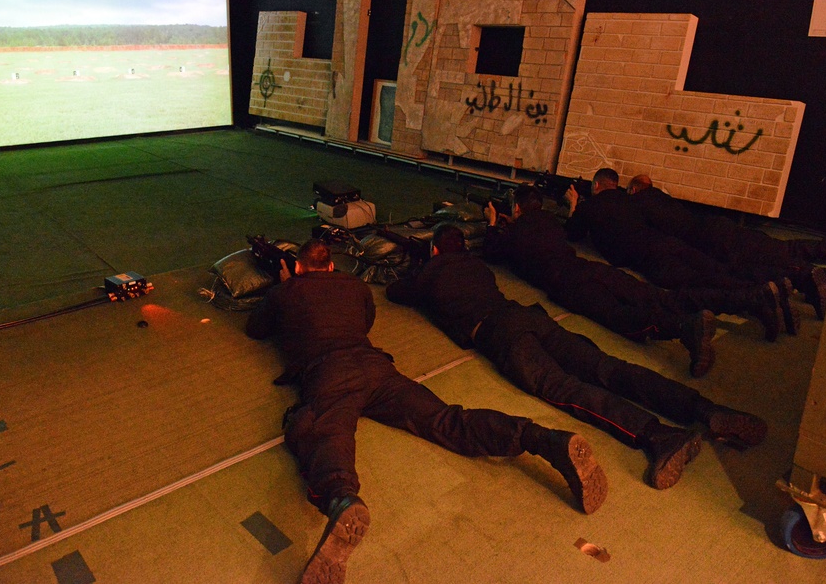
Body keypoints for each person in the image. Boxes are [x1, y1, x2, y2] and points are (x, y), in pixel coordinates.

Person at [246, 238, 608, 584]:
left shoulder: (286, 291)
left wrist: (284, 287)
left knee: (324, 433)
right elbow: (365, 321)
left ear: (297, 267)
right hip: (376, 367)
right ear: (331, 264)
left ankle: (341, 499)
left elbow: (255, 328)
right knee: (448, 420)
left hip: (329, 373)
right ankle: (543, 439)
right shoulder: (354, 286)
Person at [387, 224, 767, 491]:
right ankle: (705, 409)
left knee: (563, 388)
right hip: (531, 316)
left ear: (435, 250)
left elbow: (394, 293)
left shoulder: (431, 274)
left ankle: (658, 436)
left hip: (501, 333)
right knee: (609, 368)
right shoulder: (476, 265)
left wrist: (421, 261)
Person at [483, 184, 789, 377]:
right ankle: (750, 298)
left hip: (569, 284)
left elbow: (491, 252)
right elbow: (565, 231)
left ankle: (685, 328)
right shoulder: (550, 222)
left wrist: (494, 223)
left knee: (623, 317)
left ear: (517, 209)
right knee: (661, 296)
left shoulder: (512, 235)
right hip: (593, 269)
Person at [626, 174, 826, 321]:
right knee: (775, 248)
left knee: (752, 263)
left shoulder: (637, 205)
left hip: (706, 238)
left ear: (633, 190)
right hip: (715, 225)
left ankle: (807, 277)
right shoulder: (662, 198)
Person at [565, 168, 774, 294]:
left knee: (700, 281)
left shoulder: (589, 208)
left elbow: (572, 233)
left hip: (650, 258)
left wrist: (573, 204)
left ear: (596, 184)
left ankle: (755, 293)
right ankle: (767, 281)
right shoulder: (630, 201)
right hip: (668, 242)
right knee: (713, 266)